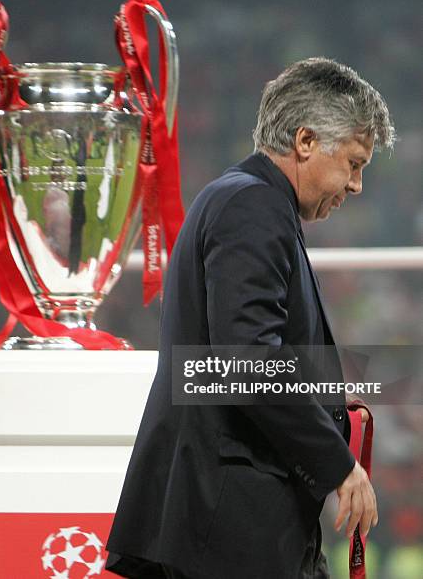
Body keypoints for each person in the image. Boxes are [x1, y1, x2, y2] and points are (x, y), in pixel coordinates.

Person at [105, 57, 395, 578]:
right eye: (354, 163)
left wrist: (324, 398)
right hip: (232, 523)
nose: (355, 186)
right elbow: (247, 360)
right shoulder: (254, 206)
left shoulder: (245, 200)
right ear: (305, 142)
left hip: (229, 522)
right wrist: (339, 464)